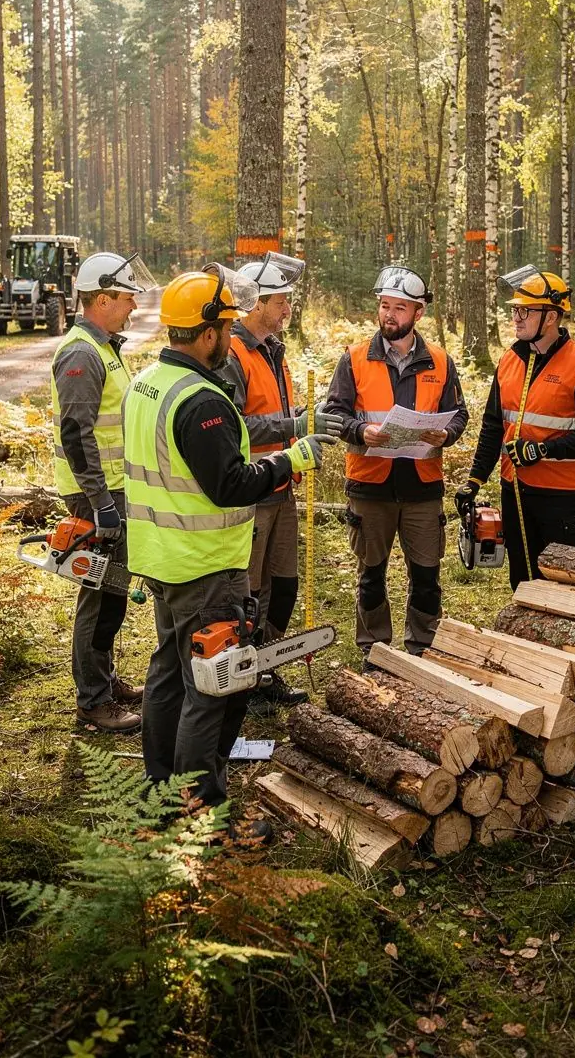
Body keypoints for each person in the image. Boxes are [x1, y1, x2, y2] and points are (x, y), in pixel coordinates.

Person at [122, 265, 335, 806]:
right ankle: (199, 804)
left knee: (169, 673)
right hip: (204, 563)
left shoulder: (147, 384)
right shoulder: (203, 401)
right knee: (211, 688)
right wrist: (291, 458)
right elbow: (231, 485)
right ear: (209, 331)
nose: (229, 339)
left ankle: (162, 783)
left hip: (161, 556)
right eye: (225, 326)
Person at [323, 265, 469, 661]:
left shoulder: (440, 361)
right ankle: (375, 649)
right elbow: (334, 414)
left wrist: (447, 433)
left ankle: (423, 648)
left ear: (418, 313)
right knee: (371, 575)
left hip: (422, 486)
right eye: (384, 306)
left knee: (426, 575)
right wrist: (360, 432)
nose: (389, 314)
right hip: (370, 485)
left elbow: (458, 413)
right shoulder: (353, 359)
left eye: (399, 308)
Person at [220, 251, 343, 711]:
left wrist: (304, 422)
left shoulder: (272, 351)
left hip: (281, 486)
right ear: (254, 304)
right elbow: (234, 429)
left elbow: (272, 413)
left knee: (282, 585)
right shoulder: (233, 354)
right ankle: (241, 678)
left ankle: (265, 666)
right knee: (247, 591)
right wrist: (293, 428)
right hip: (250, 490)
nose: (288, 309)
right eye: (280, 301)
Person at [455, 265, 575, 590]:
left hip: (563, 498)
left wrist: (544, 450)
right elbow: (492, 427)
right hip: (514, 491)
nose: (516, 317)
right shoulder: (509, 360)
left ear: (552, 316)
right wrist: (474, 480)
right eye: (515, 310)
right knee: (522, 581)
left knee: (565, 586)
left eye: (524, 311)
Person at [51, 250, 156, 733]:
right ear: (103, 298)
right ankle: (92, 700)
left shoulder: (106, 347)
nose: (134, 305)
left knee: (113, 591)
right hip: (94, 495)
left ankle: (105, 679)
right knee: (98, 595)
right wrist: (100, 503)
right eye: (127, 297)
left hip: (111, 491)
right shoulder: (80, 353)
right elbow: (77, 434)